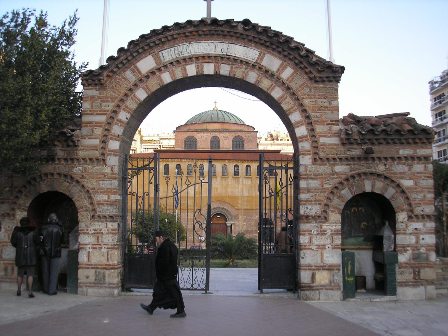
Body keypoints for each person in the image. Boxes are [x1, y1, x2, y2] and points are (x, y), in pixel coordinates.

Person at [140, 230, 186, 318]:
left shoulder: (165, 247)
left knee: (174, 293)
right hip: (167, 276)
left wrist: (162, 273)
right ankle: (151, 308)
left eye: (156, 238)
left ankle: (181, 311)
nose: (156, 241)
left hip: (167, 276)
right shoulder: (171, 245)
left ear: (161, 237)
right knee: (159, 292)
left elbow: (165, 262)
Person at [10, 217, 39, 298]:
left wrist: (19, 247)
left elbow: (13, 242)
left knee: (20, 274)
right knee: (30, 274)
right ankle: (30, 292)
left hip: (20, 255)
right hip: (31, 255)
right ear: (29, 223)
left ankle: (18, 290)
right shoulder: (34, 231)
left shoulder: (17, 231)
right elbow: (37, 242)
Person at [39, 213, 64, 295]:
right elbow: (63, 240)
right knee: (54, 272)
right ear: (56, 219)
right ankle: (52, 290)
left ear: (48, 219)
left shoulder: (43, 228)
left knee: (45, 271)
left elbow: (40, 240)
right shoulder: (60, 228)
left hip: (44, 252)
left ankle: (45, 289)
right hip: (56, 252)